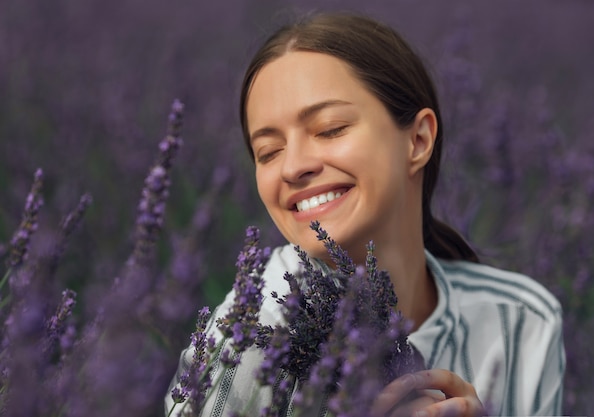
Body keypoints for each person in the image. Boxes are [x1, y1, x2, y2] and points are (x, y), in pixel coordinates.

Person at [166, 12, 565, 417]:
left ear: (418, 140)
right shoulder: (247, 342)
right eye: (268, 152)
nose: (292, 167)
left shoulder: (522, 322)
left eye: (330, 128)